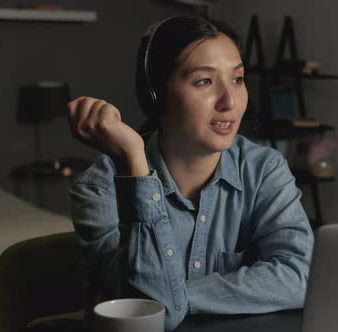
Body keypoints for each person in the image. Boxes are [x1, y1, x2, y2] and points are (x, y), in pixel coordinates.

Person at [67, 15, 314, 331]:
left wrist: (174, 295)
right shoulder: (100, 188)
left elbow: (300, 276)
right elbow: (147, 315)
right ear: (156, 94)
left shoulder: (263, 170)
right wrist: (134, 165)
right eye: (205, 81)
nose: (230, 102)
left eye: (237, 79)